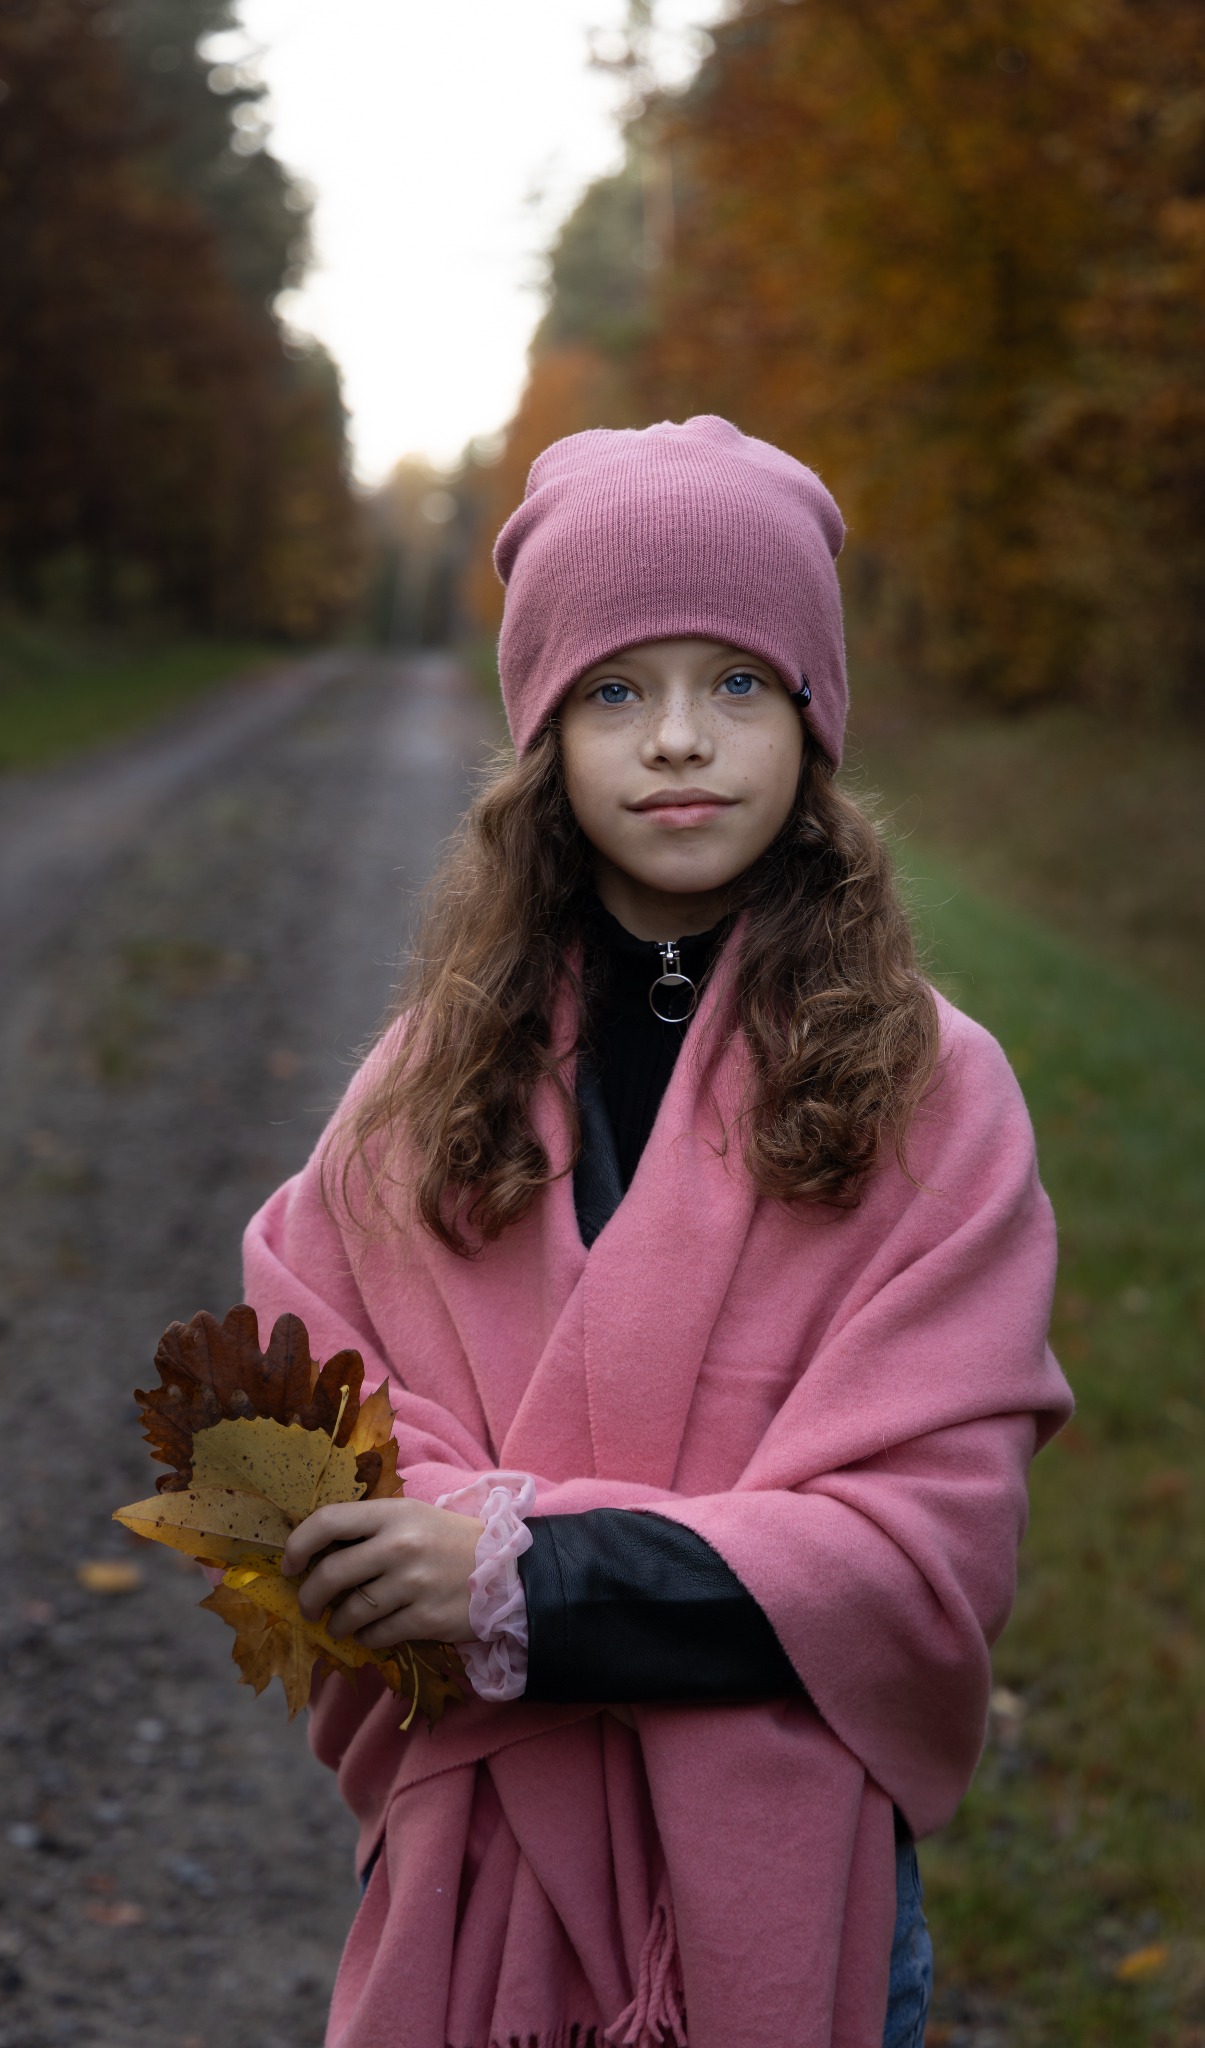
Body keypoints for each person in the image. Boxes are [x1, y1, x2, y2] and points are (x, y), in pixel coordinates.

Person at [243, 416, 1072, 2048]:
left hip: (792, 1866)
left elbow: (919, 1552)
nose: (678, 740)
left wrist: (511, 1567)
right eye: (618, 691)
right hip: (481, 1874)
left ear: (812, 716)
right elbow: (297, 1388)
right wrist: (395, 1540)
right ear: (543, 730)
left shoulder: (933, 1089)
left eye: (736, 684)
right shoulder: (433, 1071)